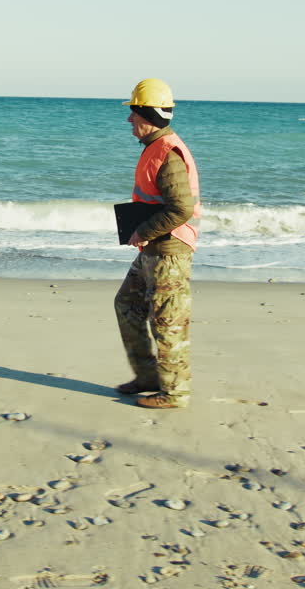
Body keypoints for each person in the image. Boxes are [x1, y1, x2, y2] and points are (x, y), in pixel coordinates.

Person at [113, 78, 202, 409]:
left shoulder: (167, 152)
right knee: (126, 305)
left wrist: (145, 230)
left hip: (169, 252)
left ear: (145, 114)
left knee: (168, 321)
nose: (128, 120)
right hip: (153, 249)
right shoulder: (154, 147)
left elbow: (182, 208)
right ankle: (148, 377)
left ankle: (175, 393)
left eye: (132, 113)